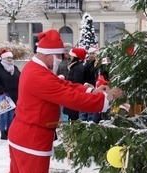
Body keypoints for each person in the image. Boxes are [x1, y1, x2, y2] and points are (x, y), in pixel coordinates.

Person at [8, 29, 123, 173]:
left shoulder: (36, 69)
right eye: (58, 55)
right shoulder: (38, 75)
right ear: (47, 54)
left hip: (26, 136)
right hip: (31, 139)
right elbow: (69, 97)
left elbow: (64, 85)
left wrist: (92, 91)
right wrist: (105, 99)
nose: (60, 59)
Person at [0, 48, 21, 140]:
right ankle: (2, 131)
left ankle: (9, 131)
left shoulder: (15, 68)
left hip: (13, 95)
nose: (10, 59)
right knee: (3, 115)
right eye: (8, 58)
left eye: (11, 57)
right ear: (3, 58)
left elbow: (20, 78)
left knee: (11, 115)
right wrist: (1, 90)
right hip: (2, 96)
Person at [62, 48, 86, 122]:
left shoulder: (77, 67)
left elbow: (76, 82)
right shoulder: (74, 66)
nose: (70, 57)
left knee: (73, 115)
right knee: (70, 114)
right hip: (70, 92)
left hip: (73, 93)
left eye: (72, 56)